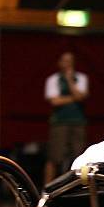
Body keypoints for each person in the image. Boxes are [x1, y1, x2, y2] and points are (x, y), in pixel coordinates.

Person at [44, 52, 89, 184]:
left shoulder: (81, 78)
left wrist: (70, 81)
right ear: (59, 63)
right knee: (55, 157)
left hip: (78, 122)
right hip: (59, 122)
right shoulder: (53, 79)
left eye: (70, 61)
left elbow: (81, 97)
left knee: (79, 156)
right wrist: (74, 98)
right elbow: (54, 101)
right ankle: (47, 187)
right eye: (64, 61)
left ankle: (77, 186)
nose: (67, 64)